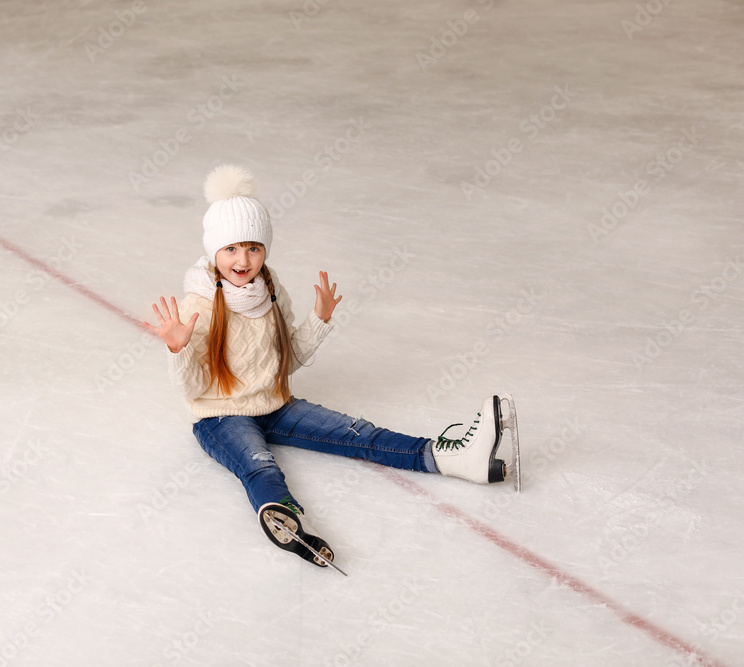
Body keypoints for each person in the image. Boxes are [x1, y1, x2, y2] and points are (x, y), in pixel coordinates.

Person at [147, 164, 512, 570]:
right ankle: (286, 517)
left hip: (274, 404)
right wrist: (179, 350)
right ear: (214, 252)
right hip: (220, 416)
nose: (243, 259)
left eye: (253, 247)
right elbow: (192, 390)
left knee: (358, 434)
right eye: (231, 248)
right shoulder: (198, 307)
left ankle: (454, 458)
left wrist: (317, 321)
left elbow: (289, 362)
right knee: (258, 464)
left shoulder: (270, 292)